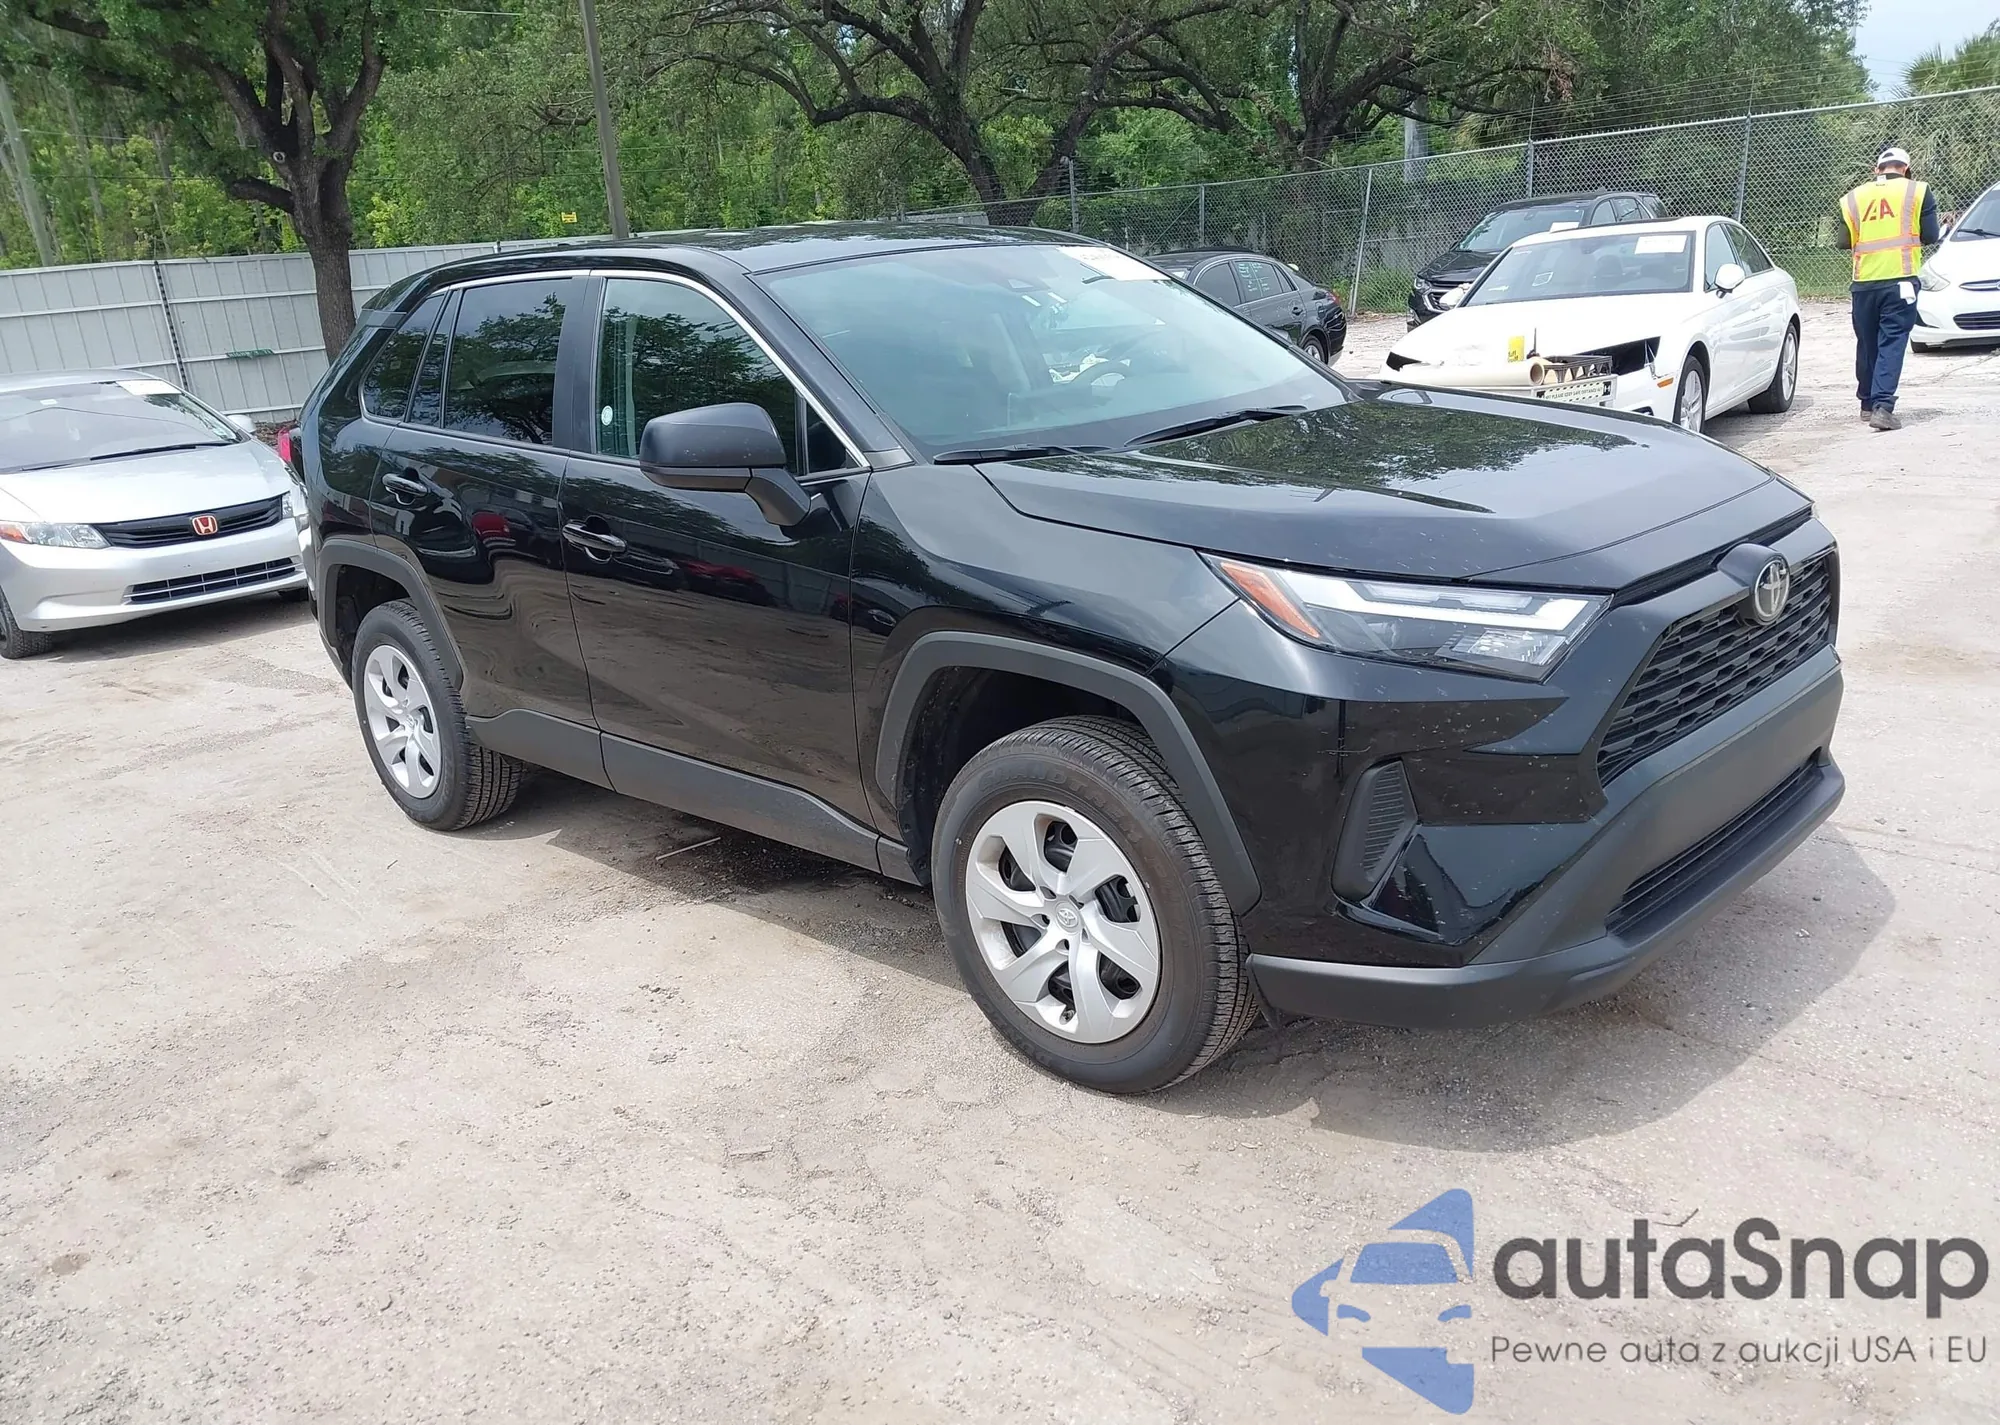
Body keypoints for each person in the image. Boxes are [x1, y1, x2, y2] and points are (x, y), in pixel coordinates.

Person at [1838, 146, 1941, 432]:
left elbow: (1843, 242)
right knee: (1891, 342)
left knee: (1867, 343)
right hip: (1901, 280)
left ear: (1877, 170)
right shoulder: (1918, 190)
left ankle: (1866, 403)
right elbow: (1931, 235)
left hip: (1863, 283)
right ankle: (1883, 407)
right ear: (1905, 169)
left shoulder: (1853, 197)